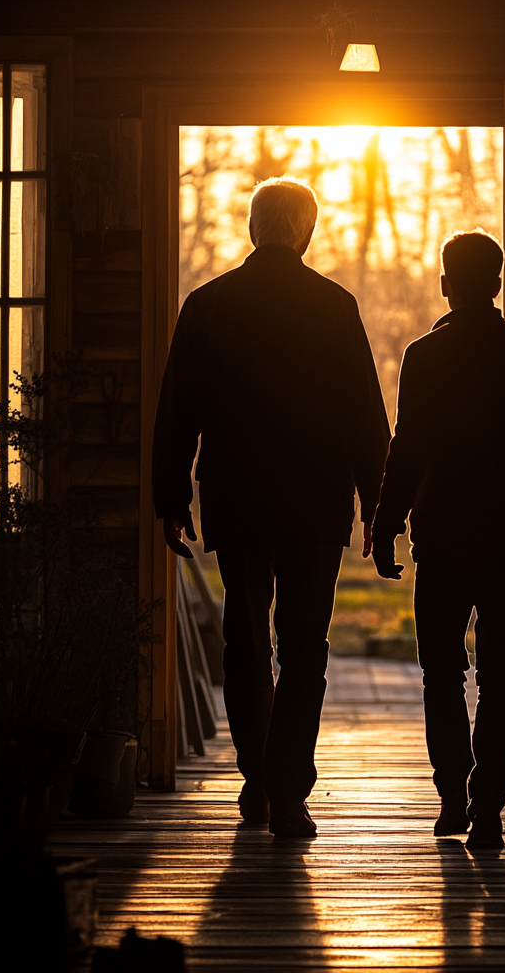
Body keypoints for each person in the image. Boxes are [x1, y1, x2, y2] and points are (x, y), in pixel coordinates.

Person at [152, 177, 390, 838]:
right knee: (304, 647)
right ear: (305, 232)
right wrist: (379, 506)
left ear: (253, 229)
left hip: (238, 497)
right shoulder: (334, 306)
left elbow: (178, 416)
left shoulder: (208, 306)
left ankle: (256, 780)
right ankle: (288, 791)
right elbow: (364, 417)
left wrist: (171, 499)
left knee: (245, 640)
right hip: (315, 502)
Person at [371, 230, 505, 850]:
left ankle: (452, 796)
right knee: (501, 673)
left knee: (441, 671)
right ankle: (489, 803)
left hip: (443, 539)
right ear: (497, 284)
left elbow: (407, 450)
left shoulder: (425, 357)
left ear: (446, 282)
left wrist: (385, 527)